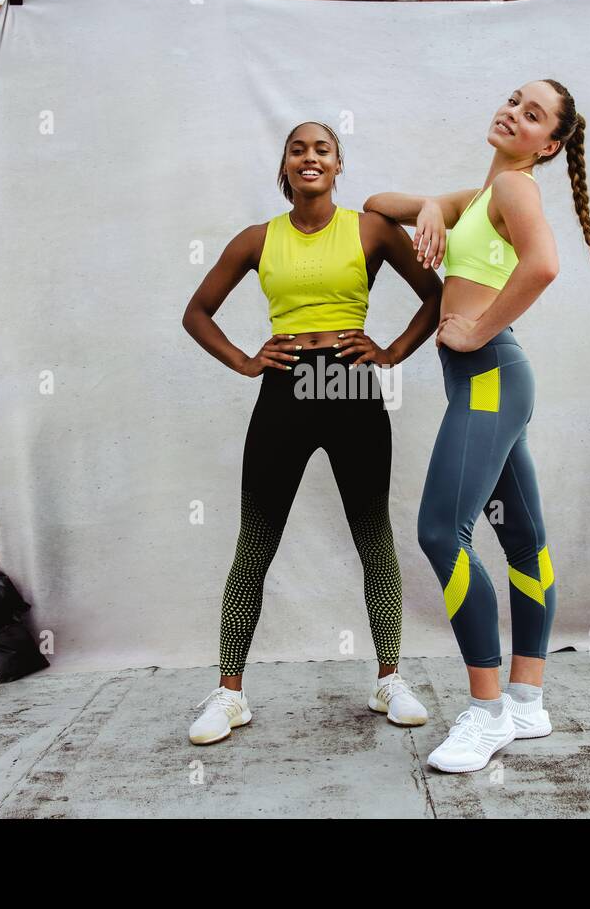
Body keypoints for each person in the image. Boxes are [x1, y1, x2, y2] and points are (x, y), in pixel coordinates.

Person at [364, 80, 590, 773]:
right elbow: (378, 206)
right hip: (490, 385)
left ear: (551, 144)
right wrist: (436, 213)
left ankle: (486, 713)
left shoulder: (515, 191)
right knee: (524, 537)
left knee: (441, 531)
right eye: (513, 99)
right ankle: (527, 699)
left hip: (491, 379)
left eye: (533, 114)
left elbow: (544, 264)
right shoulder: (484, 193)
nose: (513, 112)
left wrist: (477, 325)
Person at [182, 121, 443, 745]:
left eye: (321, 149)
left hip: (351, 385)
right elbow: (196, 312)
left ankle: (389, 678)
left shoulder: (372, 228)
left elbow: (434, 295)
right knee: (256, 539)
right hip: (287, 387)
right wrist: (245, 360)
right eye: (298, 149)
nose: (310, 157)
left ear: (338, 163)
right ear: (285, 165)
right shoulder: (256, 239)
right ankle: (230, 693)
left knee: (372, 533)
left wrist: (393, 351)